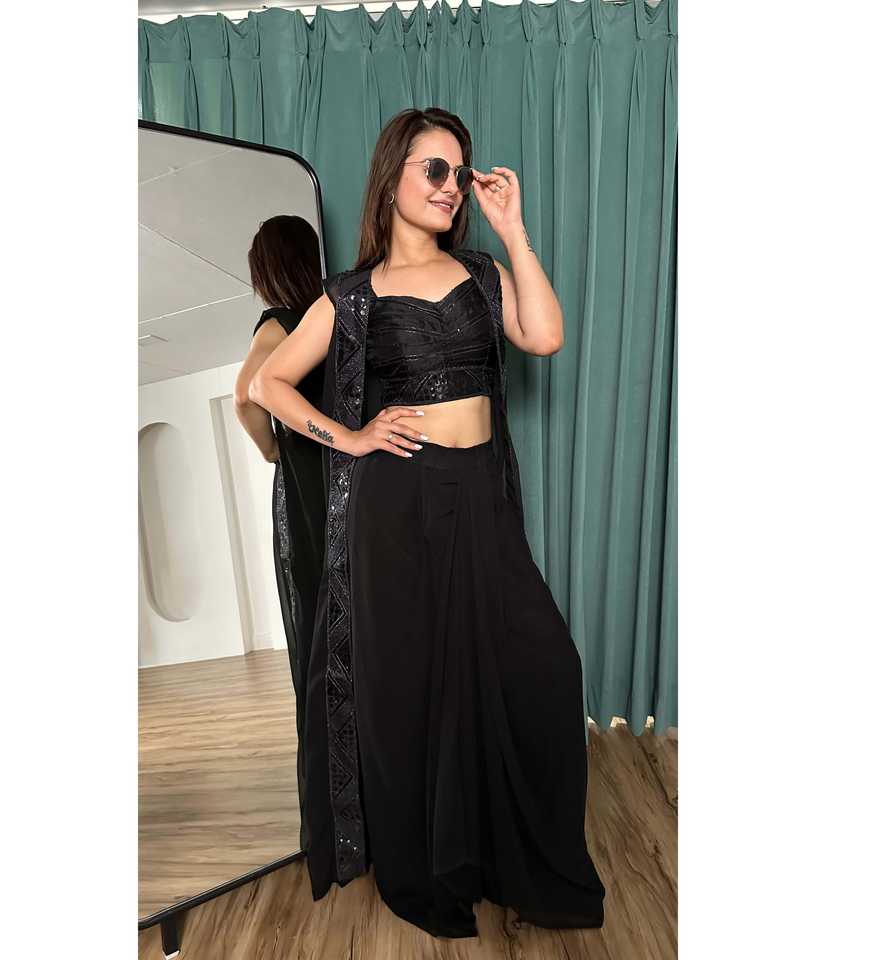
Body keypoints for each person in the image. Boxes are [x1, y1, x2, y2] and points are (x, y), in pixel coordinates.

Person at [248, 108, 606, 939]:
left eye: (459, 172)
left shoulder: (482, 272)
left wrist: (513, 230)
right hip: (399, 508)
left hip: (479, 496)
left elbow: (545, 335)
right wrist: (352, 438)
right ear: (392, 180)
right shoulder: (352, 295)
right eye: (433, 169)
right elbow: (269, 386)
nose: (451, 186)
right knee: (413, 688)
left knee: (542, 668)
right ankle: (433, 865)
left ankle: (513, 855)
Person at [234, 215, 327, 855]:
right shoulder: (329, 314)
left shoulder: (276, 323)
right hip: (347, 478)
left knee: (316, 618)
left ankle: (332, 791)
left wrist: (273, 451)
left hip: (304, 485)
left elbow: (245, 397)